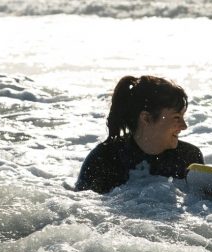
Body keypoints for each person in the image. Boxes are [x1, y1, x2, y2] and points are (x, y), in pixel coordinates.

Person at [75, 75, 204, 193]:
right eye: (176, 118)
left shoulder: (189, 159)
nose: (184, 126)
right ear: (146, 118)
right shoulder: (104, 160)